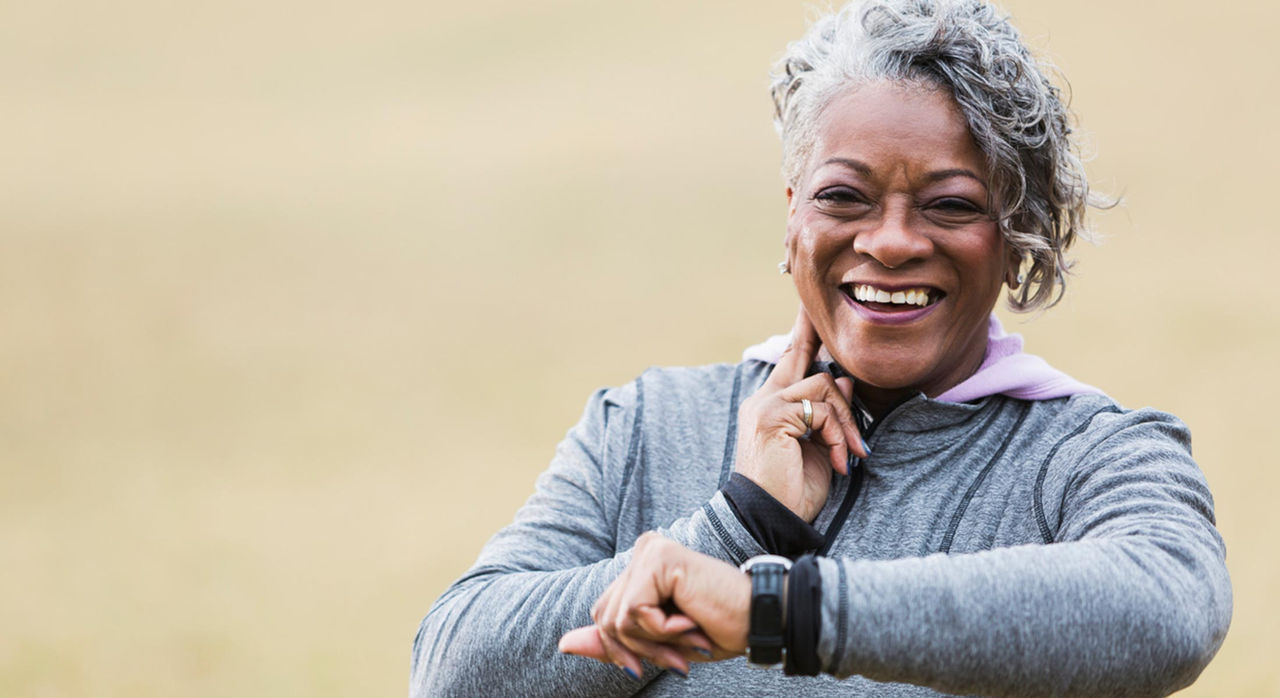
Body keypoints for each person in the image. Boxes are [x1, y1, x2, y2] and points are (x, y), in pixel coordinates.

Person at [410, 0, 1232, 695]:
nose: (893, 242)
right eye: (845, 196)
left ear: (1015, 237)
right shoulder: (648, 425)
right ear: (793, 213)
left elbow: (1171, 603)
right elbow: (451, 667)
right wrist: (739, 523)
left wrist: (779, 611)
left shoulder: (1087, 454)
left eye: (949, 205)